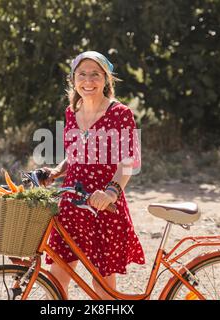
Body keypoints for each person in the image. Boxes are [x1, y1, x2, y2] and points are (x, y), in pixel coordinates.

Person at [41, 51, 144, 299]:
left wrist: (111, 192)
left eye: (95, 74)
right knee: (56, 280)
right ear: (73, 79)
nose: (88, 80)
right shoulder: (71, 111)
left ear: (106, 79)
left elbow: (128, 162)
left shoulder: (120, 113)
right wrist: (56, 172)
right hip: (72, 205)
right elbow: (75, 153)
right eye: (82, 74)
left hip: (103, 206)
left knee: (102, 289)